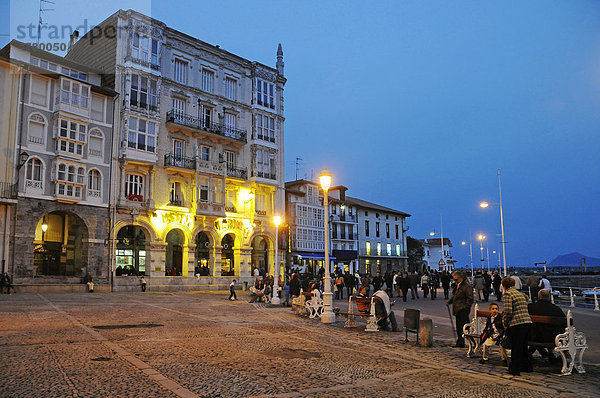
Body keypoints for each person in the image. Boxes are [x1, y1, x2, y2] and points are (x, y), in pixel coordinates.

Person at [502, 276, 533, 376]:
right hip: (527, 322)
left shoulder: (508, 294)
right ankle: (527, 366)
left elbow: (508, 312)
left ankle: (514, 369)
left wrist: (505, 323)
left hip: (516, 323)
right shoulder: (520, 294)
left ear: (504, 286)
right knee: (523, 346)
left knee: (516, 347)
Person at [527, 289, 565, 359]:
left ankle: (534, 353)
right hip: (551, 337)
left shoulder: (530, 307)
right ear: (549, 297)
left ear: (539, 297)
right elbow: (565, 324)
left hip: (533, 336)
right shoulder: (556, 309)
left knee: (537, 330)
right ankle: (548, 354)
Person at [446, 270, 473, 348]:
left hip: (463, 309)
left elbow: (470, 298)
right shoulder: (457, 286)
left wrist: (465, 307)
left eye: (456, 279)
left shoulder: (466, 286)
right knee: (459, 327)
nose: (455, 281)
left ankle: (474, 342)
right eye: (454, 280)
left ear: (461, 278)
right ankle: (460, 342)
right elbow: (455, 296)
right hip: (457, 309)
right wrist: (449, 302)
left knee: (466, 327)